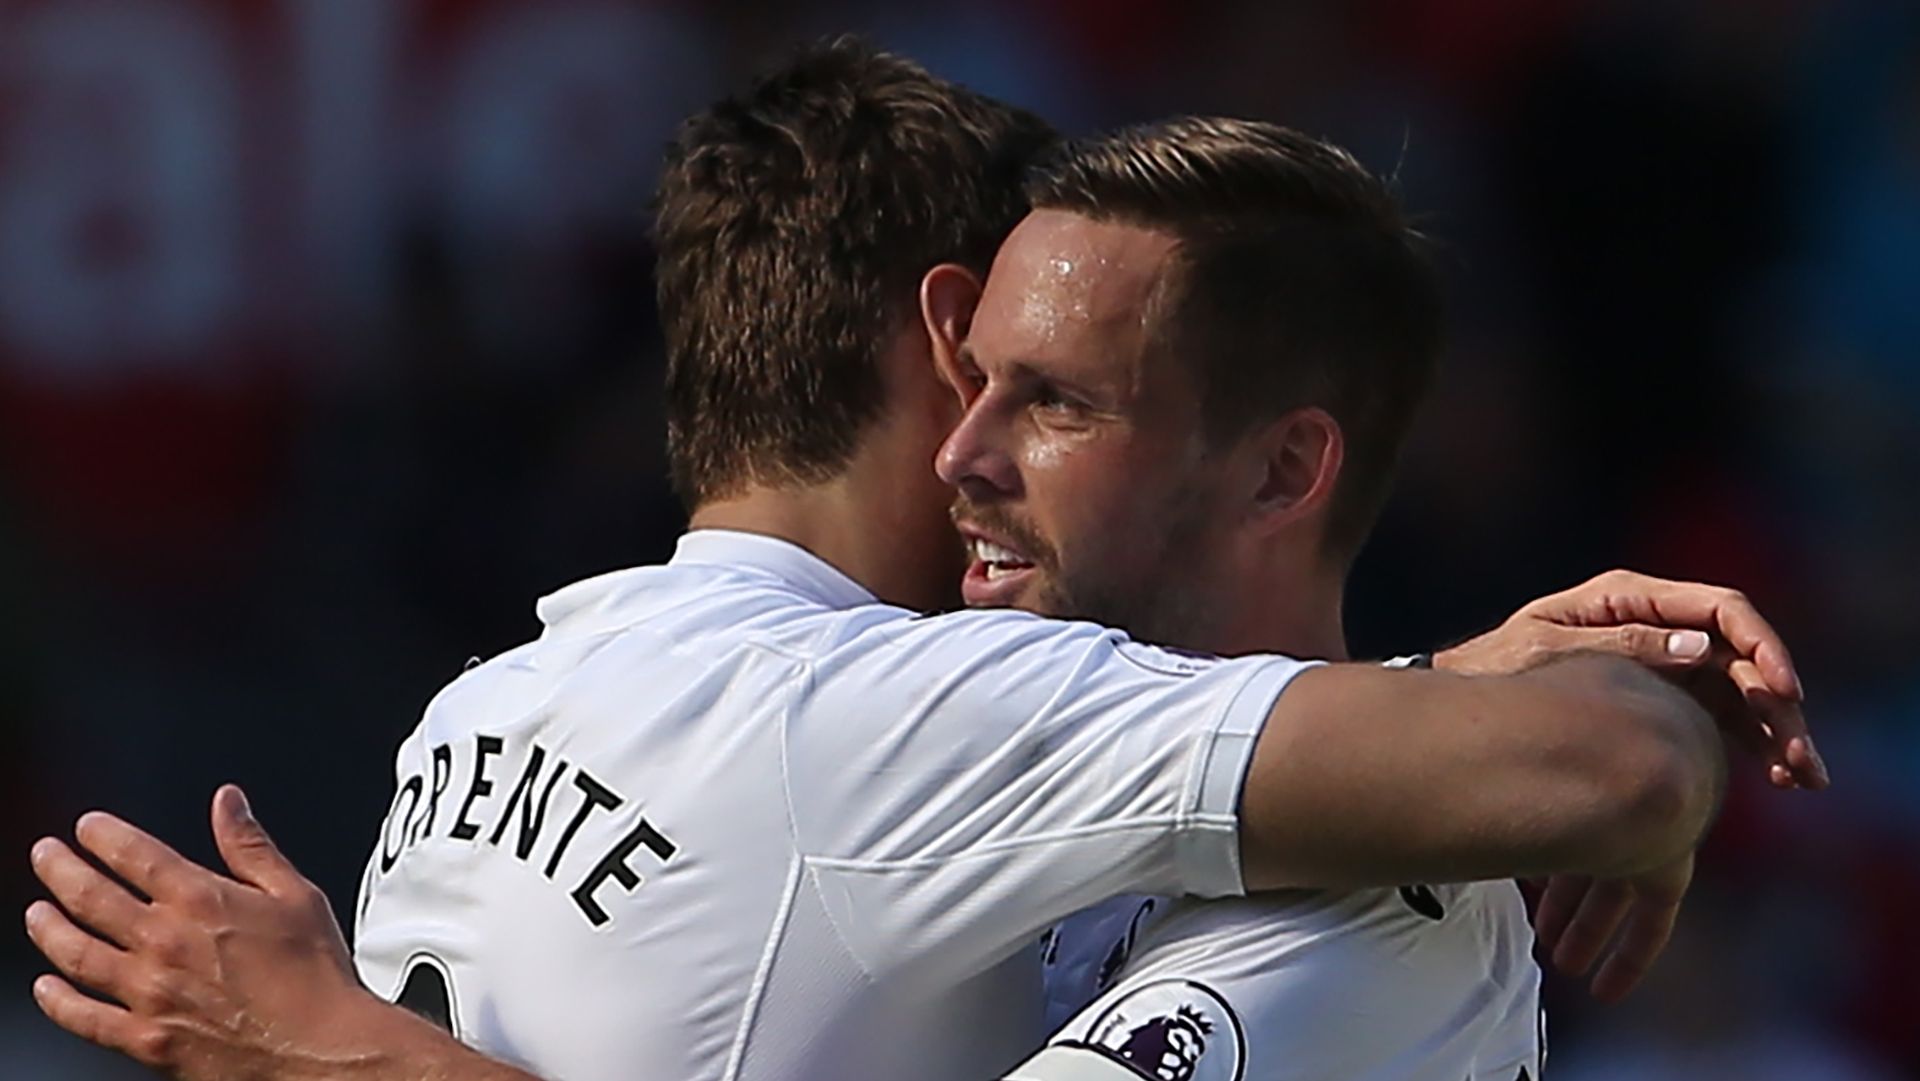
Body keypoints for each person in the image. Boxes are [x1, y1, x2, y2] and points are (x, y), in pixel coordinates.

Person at [24, 39, 1820, 1081]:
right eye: (983, 388)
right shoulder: (924, 718)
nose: (972, 455)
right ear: (931, 333)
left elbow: (1616, 759)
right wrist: (1529, 714)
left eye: (1048, 402)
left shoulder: (481, 705)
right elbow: (1623, 758)